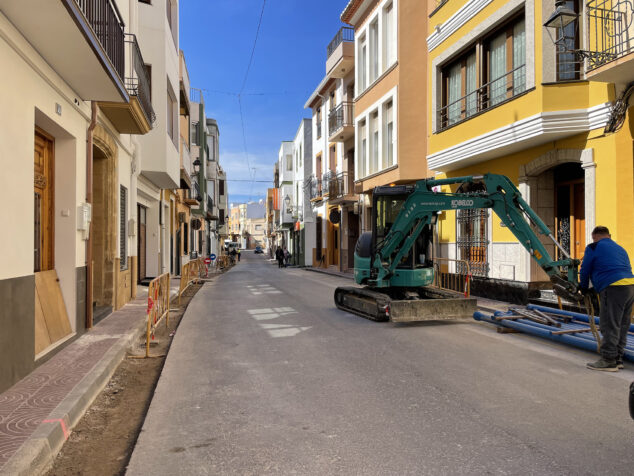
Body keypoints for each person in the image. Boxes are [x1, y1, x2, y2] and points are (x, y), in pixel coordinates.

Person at [580, 226, 634, 371]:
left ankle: (608, 360)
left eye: (593, 238)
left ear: (595, 236)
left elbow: (585, 269)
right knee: (622, 324)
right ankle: (618, 358)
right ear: (608, 236)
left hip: (613, 287)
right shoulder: (620, 248)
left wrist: (583, 288)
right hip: (630, 285)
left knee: (609, 323)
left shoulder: (593, 247)